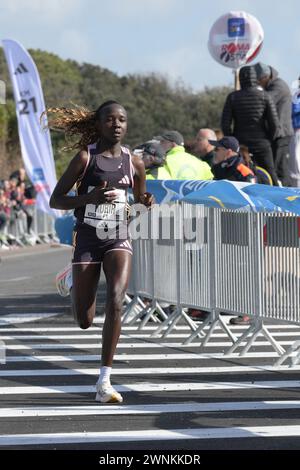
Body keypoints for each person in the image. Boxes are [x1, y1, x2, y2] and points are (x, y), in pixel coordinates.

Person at [48, 100, 153, 404]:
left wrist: (144, 202)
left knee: (118, 298)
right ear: (98, 125)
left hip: (118, 235)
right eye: (110, 119)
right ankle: (71, 279)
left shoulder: (134, 163)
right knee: (85, 319)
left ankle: (104, 380)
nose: (117, 124)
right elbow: (57, 200)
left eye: (122, 119)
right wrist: (89, 198)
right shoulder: (85, 158)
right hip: (88, 238)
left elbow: (138, 200)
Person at [208, 136, 257, 326]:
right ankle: (230, 305)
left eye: (218, 149)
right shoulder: (220, 169)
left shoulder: (243, 171)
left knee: (244, 268)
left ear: (228, 151)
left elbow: (252, 198)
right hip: (225, 224)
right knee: (227, 267)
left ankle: (248, 311)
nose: (214, 152)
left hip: (243, 227)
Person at [221, 65, 280, 186]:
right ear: (256, 78)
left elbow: (225, 124)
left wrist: (233, 142)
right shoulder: (265, 96)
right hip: (262, 144)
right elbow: (275, 124)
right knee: (271, 175)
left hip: (241, 144)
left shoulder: (233, 97)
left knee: (237, 175)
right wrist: (268, 139)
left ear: (240, 79)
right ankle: (279, 201)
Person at [254, 62, 293, 186]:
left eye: (258, 81)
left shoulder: (278, 86)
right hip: (278, 133)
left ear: (265, 77)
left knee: (281, 168)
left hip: (281, 134)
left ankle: (287, 195)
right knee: (278, 166)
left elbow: (264, 101)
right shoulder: (273, 85)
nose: (258, 84)